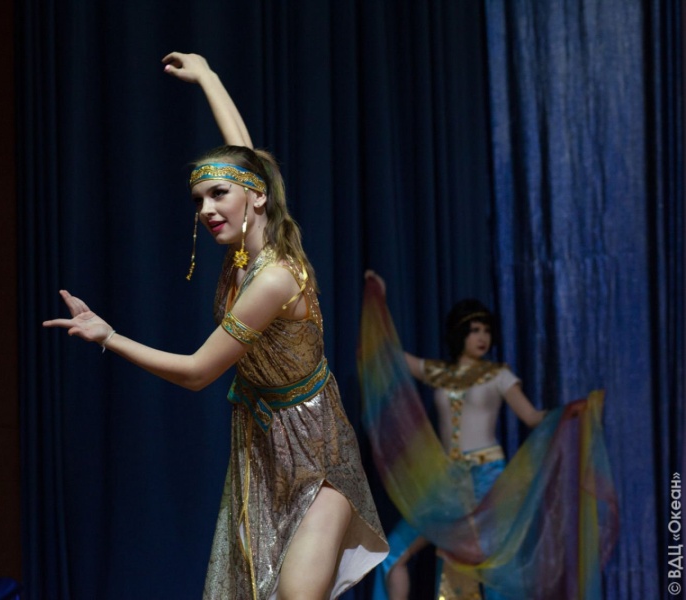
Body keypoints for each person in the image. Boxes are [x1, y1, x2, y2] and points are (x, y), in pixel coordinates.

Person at [43, 52, 388, 600]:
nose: (205, 208)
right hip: (264, 447)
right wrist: (208, 78)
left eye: (217, 194)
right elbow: (245, 155)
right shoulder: (244, 252)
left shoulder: (272, 278)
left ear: (256, 196)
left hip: (315, 451)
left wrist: (111, 337)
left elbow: (199, 372)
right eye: (199, 199)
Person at [363, 271, 544, 600]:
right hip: (446, 484)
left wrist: (571, 414)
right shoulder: (440, 373)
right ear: (460, 333)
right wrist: (380, 302)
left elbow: (532, 417)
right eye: (475, 330)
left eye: (486, 330)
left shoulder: (499, 375)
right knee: (393, 557)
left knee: (495, 568)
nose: (482, 337)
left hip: (488, 480)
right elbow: (390, 355)